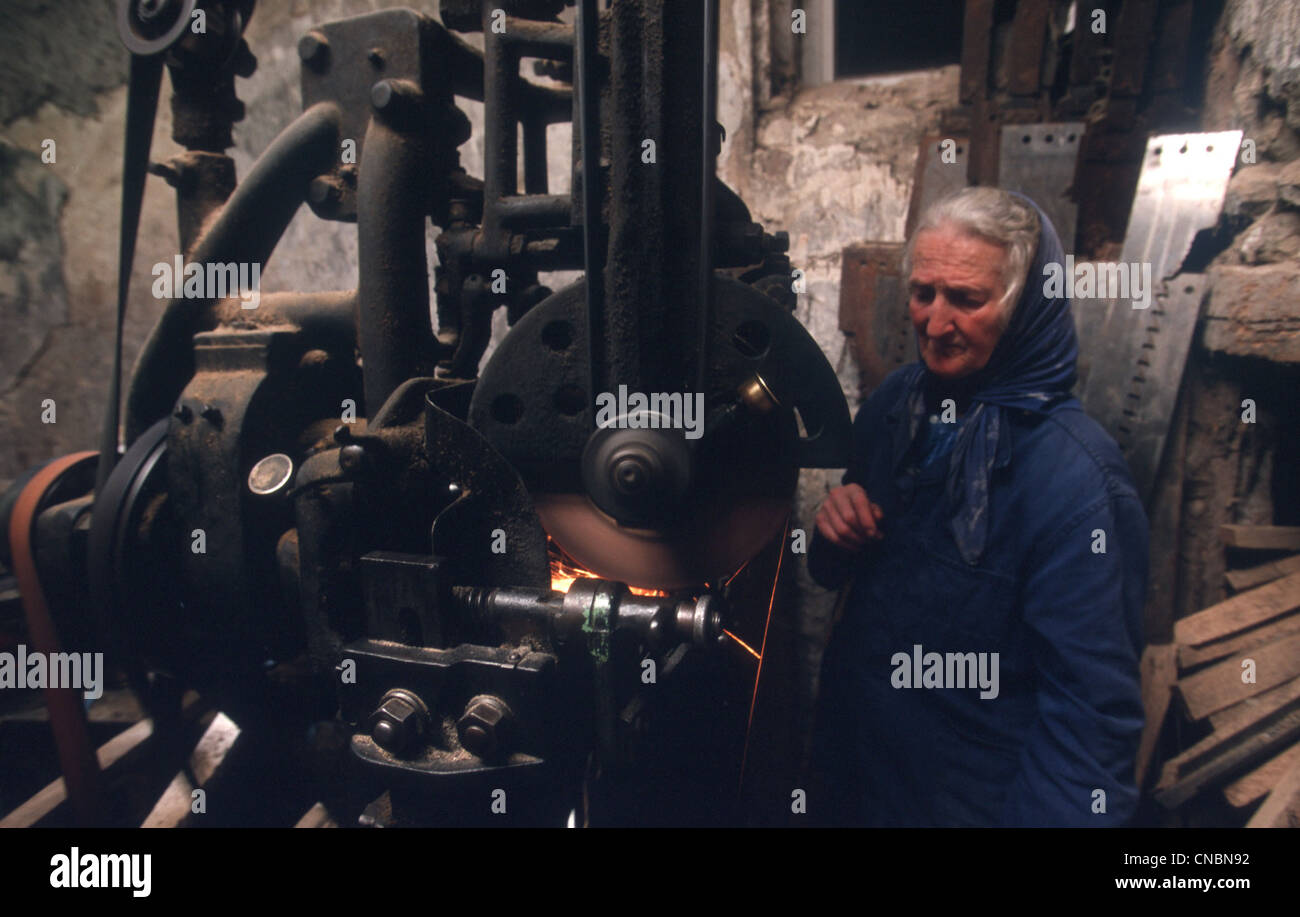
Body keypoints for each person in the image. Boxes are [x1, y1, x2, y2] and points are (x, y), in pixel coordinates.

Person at [808, 187, 1147, 826]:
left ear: (1026, 308)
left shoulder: (1078, 485)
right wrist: (834, 531)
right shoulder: (897, 408)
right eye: (923, 293)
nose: (934, 324)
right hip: (858, 775)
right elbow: (832, 574)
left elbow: (1089, 728)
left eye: (966, 300)